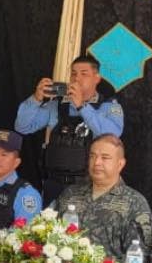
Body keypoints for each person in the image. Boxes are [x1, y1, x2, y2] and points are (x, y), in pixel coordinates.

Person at [15, 54, 124, 201]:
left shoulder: (108, 107)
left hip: (89, 186)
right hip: (54, 185)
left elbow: (112, 135)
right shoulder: (57, 105)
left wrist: (82, 106)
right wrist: (36, 99)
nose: (77, 78)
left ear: (96, 78)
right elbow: (22, 127)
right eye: (73, 74)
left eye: (84, 74)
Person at [52, 135, 152, 260]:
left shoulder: (134, 203)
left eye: (105, 157)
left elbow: (139, 257)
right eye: (92, 156)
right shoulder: (70, 194)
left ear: (120, 164)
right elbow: (51, 234)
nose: (97, 162)